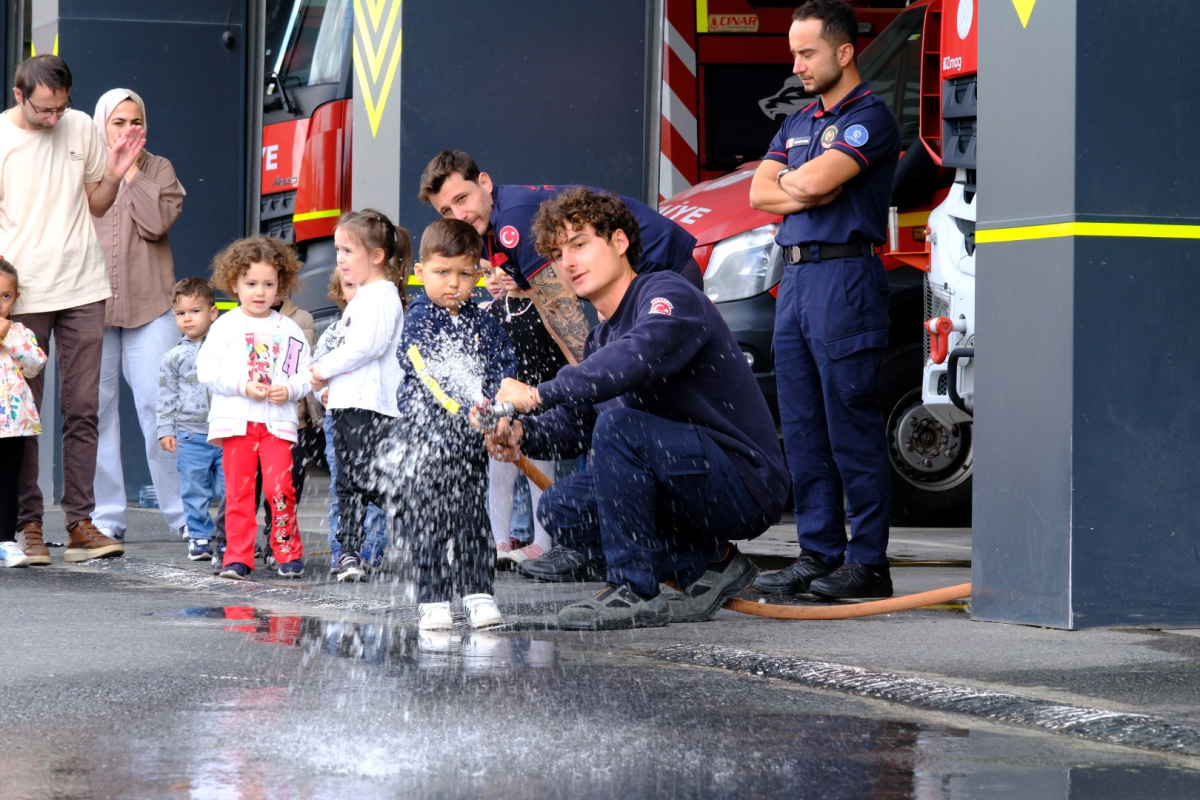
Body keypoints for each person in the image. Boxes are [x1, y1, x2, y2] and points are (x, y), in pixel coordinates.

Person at [486, 188, 788, 630]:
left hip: (744, 482)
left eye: (580, 244)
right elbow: (575, 426)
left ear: (620, 242)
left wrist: (535, 393)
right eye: (557, 252)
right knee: (560, 508)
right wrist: (522, 434)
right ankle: (711, 563)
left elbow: (635, 359)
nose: (567, 262)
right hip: (685, 481)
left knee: (621, 427)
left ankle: (634, 591)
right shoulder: (599, 339)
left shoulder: (667, 293)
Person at [747, 0, 900, 599]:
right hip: (797, 281)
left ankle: (868, 563)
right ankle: (818, 553)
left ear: (844, 52)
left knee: (849, 424)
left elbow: (804, 183)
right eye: (794, 53)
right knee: (804, 428)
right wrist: (802, 189)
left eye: (807, 53)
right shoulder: (799, 119)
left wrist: (802, 186)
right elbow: (763, 193)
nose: (798, 64)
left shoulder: (870, 118)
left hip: (844, 280)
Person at [2, 55, 144, 563]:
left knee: (84, 409)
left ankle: (81, 523)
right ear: (19, 95)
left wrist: (117, 173)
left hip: (84, 287)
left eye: (61, 107)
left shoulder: (81, 125)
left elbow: (97, 203)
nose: (54, 118)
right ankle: (29, 526)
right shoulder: (1, 139)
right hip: (24, 297)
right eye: (44, 109)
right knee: (25, 419)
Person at [418, 150, 701, 363]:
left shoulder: (511, 221)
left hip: (664, 267)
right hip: (638, 283)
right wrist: (581, 378)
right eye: (446, 211)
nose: (459, 216)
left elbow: (563, 308)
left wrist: (589, 387)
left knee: (661, 383)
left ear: (485, 183)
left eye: (462, 199)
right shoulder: (485, 231)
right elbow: (545, 307)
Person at [380, 218, 515, 630]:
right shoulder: (419, 318)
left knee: (474, 518)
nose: (453, 284)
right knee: (431, 521)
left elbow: (502, 364)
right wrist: (462, 410)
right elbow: (428, 373)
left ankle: (478, 594)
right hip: (427, 440)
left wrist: (496, 405)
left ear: (478, 273)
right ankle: (434, 599)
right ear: (421, 273)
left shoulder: (482, 320)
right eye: (442, 273)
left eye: (464, 273)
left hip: (469, 444)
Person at [90, 87, 188, 543]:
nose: (129, 131)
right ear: (100, 126)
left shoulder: (159, 168)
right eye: (118, 122)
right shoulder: (85, 167)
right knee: (96, 412)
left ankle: (185, 516)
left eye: (136, 122)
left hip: (151, 307)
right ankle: (106, 517)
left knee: (159, 408)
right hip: (91, 307)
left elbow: (154, 223)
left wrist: (130, 173)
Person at [197, 236, 311, 580]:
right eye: (251, 284)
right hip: (236, 423)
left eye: (268, 284)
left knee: (281, 490)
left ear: (281, 286)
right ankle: (238, 557)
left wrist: (289, 389)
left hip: (277, 424)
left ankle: (287, 552)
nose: (259, 292)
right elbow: (207, 370)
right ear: (234, 283)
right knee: (239, 493)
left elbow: (307, 372)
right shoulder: (224, 327)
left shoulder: (289, 330)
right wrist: (241, 386)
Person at [310, 209, 409, 582]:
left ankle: (427, 524)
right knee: (350, 484)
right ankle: (349, 552)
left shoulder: (381, 295)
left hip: (369, 409)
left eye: (348, 250)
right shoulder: (364, 297)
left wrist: (324, 369)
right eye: (338, 250)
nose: (340, 259)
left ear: (377, 256)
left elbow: (366, 346)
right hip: (350, 404)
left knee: (368, 484)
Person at [482, 265, 567, 568]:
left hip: (538, 406)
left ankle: (542, 542)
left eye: (510, 268)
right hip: (501, 409)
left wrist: (543, 396)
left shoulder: (544, 308)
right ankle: (500, 541)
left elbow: (557, 358)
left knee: (539, 475)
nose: (501, 275)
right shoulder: (492, 310)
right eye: (492, 270)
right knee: (500, 476)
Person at [315, 269, 389, 573]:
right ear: (339, 292)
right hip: (341, 418)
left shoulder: (385, 328)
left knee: (378, 482)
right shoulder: (334, 332)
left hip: (377, 415)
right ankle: (344, 552)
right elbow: (318, 373)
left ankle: (371, 550)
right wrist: (323, 397)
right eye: (350, 286)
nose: (358, 293)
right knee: (343, 484)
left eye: (365, 286)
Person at [156, 278, 223, 562]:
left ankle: (229, 537)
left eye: (195, 311)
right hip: (190, 434)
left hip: (224, 430)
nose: (187, 318)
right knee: (194, 488)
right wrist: (165, 430)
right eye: (181, 313)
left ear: (213, 312)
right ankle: (199, 536)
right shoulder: (173, 357)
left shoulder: (224, 347)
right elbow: (165, 395)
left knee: (229, 489)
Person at [0, 258, 48, 568]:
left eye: (5, 296)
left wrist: (9, 336)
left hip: (12, 425)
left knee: (7, 483)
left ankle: (5, 540)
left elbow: (35, 364)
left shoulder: (18, 331)